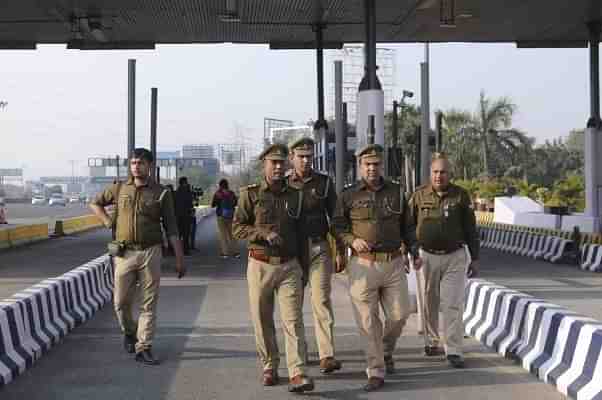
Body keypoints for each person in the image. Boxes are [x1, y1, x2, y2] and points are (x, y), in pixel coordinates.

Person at [90, 148, 186, 365]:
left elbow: (172, 228)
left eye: (140, 163)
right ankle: (130, 332)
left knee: (148, 304)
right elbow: (95, 203)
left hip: (151, 252)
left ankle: (144, 346)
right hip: (124, 254)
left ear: (149, 166)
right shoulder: (120, 188)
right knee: (120, 303)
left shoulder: (162, 193)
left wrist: (179, 258)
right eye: (133, 163)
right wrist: (107, 221)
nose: (136, 166)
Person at [233, 143, 314, 393]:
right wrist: (262, 233)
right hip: (260, 265)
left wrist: (305, 270)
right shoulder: (251, 194)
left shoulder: (297, 196)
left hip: (290, 266)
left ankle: (298, 372)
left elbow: (303, 237)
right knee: (262, 319)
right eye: (273, 163)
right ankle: (269, 366)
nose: (278, 167)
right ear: (264, 165)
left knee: (293, 321)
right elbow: (237, 228)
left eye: (281, 162)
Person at [332, 144, 411, 392]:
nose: (372, 168)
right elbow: (337, 225)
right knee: (367, 321)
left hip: (394, 263)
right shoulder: (348, 195)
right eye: (367, 164)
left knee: (400, 315)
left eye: (376, 164)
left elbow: (407, 226)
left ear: (381, 165)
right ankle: (375, 370)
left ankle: (385, 350)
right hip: (362, 265)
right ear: (360, 166)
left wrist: (413, 251)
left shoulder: (397, 192)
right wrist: (350, 240)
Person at [407, 153, 479, 369]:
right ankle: (431, 342)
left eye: (443, 172)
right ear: (431, 173)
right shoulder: (418, 196)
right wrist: (411, 252)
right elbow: (408, 227)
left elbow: (470, 229)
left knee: (452, 303)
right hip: (426, 256)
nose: (439, 176)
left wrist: (474, 258)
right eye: (436, 172)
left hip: (455, 257)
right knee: (429, 302)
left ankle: (454, 350)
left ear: (450, 174)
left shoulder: (461, 196)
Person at [286, 137, 343, 374]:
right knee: (293, 306)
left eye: (309, 156)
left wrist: (340, 250)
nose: (306, 160)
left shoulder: (324, 183)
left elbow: (337, 219)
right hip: (292, 253)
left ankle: (326, 355)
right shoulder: (284, 184)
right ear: (292, 157)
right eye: (301, 156)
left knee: (321, 301)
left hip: (319, 248)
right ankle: (299, 353)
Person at [211, 178, 240, 258]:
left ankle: (225, 253)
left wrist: (218, 202)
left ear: (220, 186)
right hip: (231, 216)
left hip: (221, 216)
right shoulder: (231, 193)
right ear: (227, 185)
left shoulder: (218, 194)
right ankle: (236, 252)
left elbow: (213, 205)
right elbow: (236, 203)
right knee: (232, 234)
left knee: (223, 235)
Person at [175, 177, 194, 255]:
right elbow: (190, 203)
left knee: (178, 234)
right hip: (186, 215)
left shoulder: (177, 192)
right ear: (185, 183)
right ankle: (186, 250)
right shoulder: (187, 192)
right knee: (186, 234)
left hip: (178, 216)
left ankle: (177, 251)